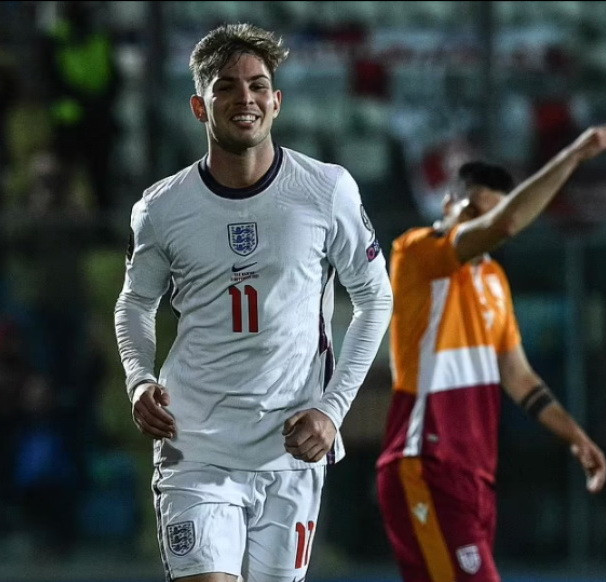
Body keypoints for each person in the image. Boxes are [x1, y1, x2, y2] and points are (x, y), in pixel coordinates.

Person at [114, 23, 392, 582]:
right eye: (227, 87)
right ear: (199, 106)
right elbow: (134, 304)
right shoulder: (161, 209)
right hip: (195, 446)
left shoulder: (327, 190)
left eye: (258, 85)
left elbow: (374, 298)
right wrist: (140, 379)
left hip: (290, 448)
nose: (246, 97)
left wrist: (332, 409)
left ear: (277, 101)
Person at [376, 125, 606, 582]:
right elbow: (506, 223)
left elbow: (518, 375)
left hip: (474, 475)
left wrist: (575, 436)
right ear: (447, 205)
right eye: (470, 210)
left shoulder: (493, 281)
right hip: (425, 464)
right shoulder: (418, 253)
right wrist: (571, 154)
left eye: (486, 216)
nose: (479, 224)